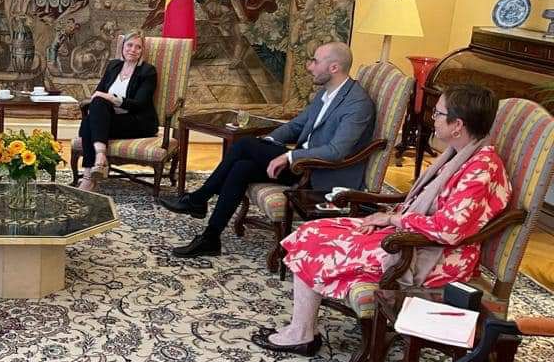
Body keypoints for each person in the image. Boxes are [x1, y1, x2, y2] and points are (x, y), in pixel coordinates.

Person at [255, 85, 510, 355]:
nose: (433, 118)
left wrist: (393, 220)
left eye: (438, 113)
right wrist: (390, 218)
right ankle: (303, 330)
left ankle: (301, 335)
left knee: (320, 244)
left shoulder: (482, 168)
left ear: (457, 125)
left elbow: (448, 230)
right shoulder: (458, 154)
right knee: (312, 231)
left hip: (438, 256)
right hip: (412, 236)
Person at [162, 42, 375, 257]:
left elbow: (336, 152)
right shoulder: (326, 93)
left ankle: (198, 199)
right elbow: (296, 126)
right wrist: (269, 142)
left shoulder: (357, 104)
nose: (309, 67)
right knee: (242, 167)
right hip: (305, 166)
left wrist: (289, 156)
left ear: (334, 68)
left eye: (315, 62)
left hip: (323, 176)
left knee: (244, 144)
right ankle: (211, 238)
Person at [77, 31, 159, 192]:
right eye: (129, 45)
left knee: (88, 124)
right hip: (109, 119)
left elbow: (139, 104)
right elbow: (98, 93)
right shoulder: (113, 65)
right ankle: (100, 158)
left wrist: (112, 98)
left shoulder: (148, 71)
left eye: (138, 47)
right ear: (123, 47)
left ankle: (88, 177)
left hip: (137, 121)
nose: (133, 50)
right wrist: (102, 99)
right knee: (98, 103)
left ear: (142, 51)